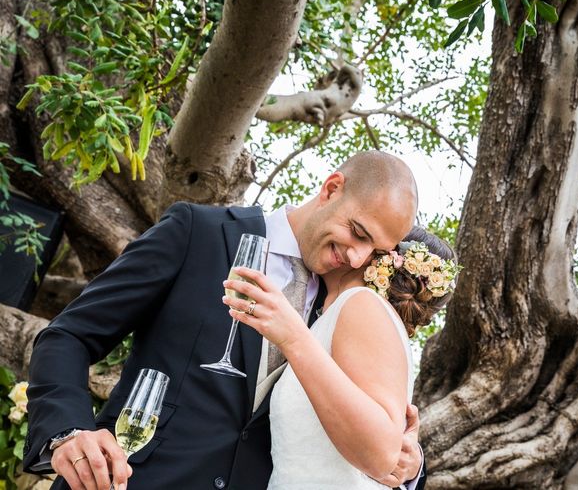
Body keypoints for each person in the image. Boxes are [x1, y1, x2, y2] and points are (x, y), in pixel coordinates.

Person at [25, 151, 426, 490]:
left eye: (375, 250)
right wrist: (69, 431)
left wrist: (409, 463)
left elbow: (359, 434)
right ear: (331, 188)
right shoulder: (198, 232)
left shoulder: (343, 309)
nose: (358, 258)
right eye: (357, 232)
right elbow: (69, 336)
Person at [224, 227, 457, 488]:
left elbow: (380, 450)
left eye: (363, 236)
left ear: (380, 256)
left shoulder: (361, 305)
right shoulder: (335, 314)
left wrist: (293, 339)